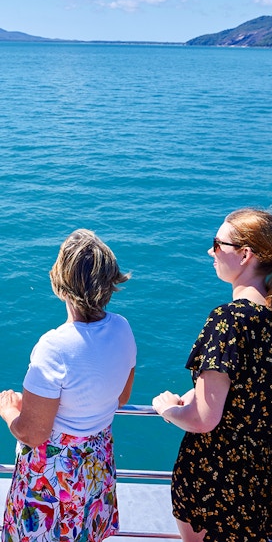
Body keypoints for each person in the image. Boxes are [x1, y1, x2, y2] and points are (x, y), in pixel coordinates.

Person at [153, 208, 272, 542]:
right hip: (258, 469)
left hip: (212, 473)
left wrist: (169, 409)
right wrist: (207, 394)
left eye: (218, 244)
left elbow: (204, 421)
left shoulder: (228, 320)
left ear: (246, 255)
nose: (211, 251)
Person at [0, 229, 137, 542]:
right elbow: (122, 396)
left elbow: (34, 433)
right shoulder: (122, 329)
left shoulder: (54, 347)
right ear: (111, 281)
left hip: (54, 476)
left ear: (58, 282)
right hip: (95, 464)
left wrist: (9, 410)